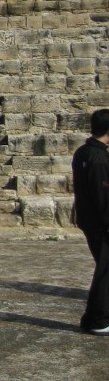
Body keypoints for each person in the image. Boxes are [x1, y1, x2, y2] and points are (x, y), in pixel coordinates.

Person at [72, 108, 109, 335]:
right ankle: (98, 320)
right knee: (106, 271)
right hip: (100, 223)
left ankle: (93, 318)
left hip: (88, 219)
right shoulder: (99, 159)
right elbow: (103, 196)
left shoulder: (82, 152)